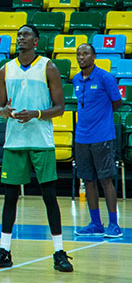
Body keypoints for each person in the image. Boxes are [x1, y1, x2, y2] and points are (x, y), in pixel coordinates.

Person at [0, 25, 73, 272]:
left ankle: (59, 251)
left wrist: (36, 114)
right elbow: (1, 107)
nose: (20, 38)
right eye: (18, 35)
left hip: (41, 140)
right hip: (14, 141)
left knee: (49, 197)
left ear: (36, 41)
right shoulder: (5, 69)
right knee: (10, 197)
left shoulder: (48, 67)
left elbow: (60, 108)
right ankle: (4, 250)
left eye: (26, 35)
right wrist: (5, 112)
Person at [71, 43, 122, 238]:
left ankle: (114, 225)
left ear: (94, 57)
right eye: (78, 54)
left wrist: (103, 119)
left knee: (106, 180)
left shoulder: (105, 77)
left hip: (102, 136)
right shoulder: (76, 79)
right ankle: (95, 223)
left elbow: (117, 102)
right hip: (81, 137)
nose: (81, 57)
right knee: (88, 180)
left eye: (85, 54)